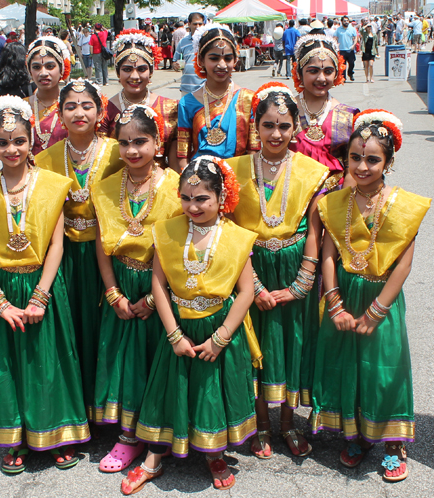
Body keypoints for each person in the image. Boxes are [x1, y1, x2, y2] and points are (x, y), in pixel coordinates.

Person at [0, 96, 91, 475]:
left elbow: (57, 244)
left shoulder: (54, 185)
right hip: (4, 288)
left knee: (47, 362)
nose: (12, 149)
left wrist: (41, 295)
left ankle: (53, 434)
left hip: (43, 288)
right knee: (8, 366)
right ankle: (13, 438)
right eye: (3, 142)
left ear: (31, 139)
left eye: (19, 140)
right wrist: (0, 302)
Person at [120, 156, 257, 495]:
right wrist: (173, 334)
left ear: (221, 198)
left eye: (202, 199)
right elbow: (158, 285)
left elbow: (246, 292)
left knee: (210, 392)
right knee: (167, 389)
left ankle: (214, 453)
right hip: (177, 327)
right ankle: (153, 457)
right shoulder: (166, 231)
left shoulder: (238, 237)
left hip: (218, 328)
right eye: (186, 197)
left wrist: (221, 338)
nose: (192, 206)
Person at [311, 109, 431, 483]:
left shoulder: (405, 206)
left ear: (389, 162)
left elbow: (404, 266)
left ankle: (394, 442)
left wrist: (377, 311)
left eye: (373, 159)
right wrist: (335, 304)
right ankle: (359, 435)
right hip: (345, 295)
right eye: (355, 158)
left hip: (382, 299)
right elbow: (328, 255)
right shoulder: (334, 202)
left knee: (385, 369)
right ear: (345, 159)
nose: (362, 166)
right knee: (350, 366)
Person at [226, 82, 328, 460]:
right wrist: (252, 283)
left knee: (291, 343)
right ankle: (260, 425)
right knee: (257, 347)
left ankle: (287, 423)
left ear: (296, 127)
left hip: (293, 265)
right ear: (256, 126)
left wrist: (302, 284)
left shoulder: (313, 172)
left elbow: (314, 229)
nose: (276, 134)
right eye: (268, 125)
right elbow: (231, 231)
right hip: (249, 265)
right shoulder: (234, 169)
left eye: (284, 125)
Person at [91, 105, 181, 474]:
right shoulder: (106, 188)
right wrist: (113, 293)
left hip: (162, 288)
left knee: (158, 364)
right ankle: (128, 436)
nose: (132, 150)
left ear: (158, 143)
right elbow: (101, 245)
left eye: (140, 141)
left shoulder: (178, 187)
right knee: (125, 364)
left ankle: (162, 433)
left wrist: (150, 298)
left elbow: (183, 245)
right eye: (124, 143)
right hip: (123, 287)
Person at [34, 79, 124, 421]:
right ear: (60, 114)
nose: (79, 112)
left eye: (87, 105)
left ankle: (105, 406)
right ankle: (75, 409)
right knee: (70, 330)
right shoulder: (45, 158)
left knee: (104, 330)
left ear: (100, 111)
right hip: (65, 255)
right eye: (70, 106)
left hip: (107, 255)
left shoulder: (117, 151)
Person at [176, 24, 260, 168]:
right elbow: (183, 155)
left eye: (228, 58)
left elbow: (254, 150)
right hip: (200, 182)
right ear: (201, 60)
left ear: (235, 60)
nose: (222, 65)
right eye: (214, 58)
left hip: (240, 178)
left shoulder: (248, 99)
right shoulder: (187, 103)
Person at [101, 29, 178, 171]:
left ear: (151, 72)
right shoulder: (105, 110)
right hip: (117, 186)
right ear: (118, 72)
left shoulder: (171, 108)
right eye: (127, 69)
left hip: (160, 185)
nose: (135, 76)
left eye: (142, 69)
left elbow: (175, 163)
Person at [290, 34, 359, 189]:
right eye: (313, 71)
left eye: (328, 71)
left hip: (333, 199)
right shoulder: (286, 109)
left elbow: (352, 166)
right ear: (299, 73)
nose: (321, 78)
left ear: (337, 73)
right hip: (291, 194)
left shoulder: (347, 115)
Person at [25, 36, 71, 155]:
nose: (43, 73)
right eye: (36, 67)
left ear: (62, 68)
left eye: (50, 66)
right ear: (30, 71)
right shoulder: (22, 107)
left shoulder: (73, 105)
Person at [172, 13, 205, 96]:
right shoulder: (183, 42)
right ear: (189, 24)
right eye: (195, 24)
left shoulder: (207, 41)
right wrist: (175, 66)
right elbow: (175, 61)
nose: (198, 26)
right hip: (187, 89)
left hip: (205, 88)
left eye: (200, 24)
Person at [335, 16, 357, 81]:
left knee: (352, 63)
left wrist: (354, 45)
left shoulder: (352, 29)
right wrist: (336, 45)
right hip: (341, 50)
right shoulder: (338, 29)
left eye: (347, 20)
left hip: (350, 49)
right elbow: (335, 37)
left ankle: (350, 73)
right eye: (344, 21)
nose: (346, 22)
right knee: (343, 65)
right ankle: (343, 78)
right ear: (341, 22)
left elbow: (356, 37)